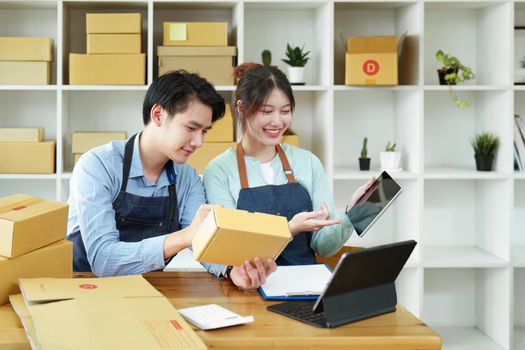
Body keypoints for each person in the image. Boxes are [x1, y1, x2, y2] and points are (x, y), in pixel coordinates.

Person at [67, 70, 277, 287]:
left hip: (151, 290)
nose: (198, 142)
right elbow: (104, 260)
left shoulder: (187, 177)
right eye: (191, 128)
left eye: (204, 131)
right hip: (86, 289)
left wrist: (231, 270)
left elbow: (201, 240)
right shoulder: (98, 166)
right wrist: (184, 237)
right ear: (158, 115)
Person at [202, 63, 375, 284]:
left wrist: (353, 213)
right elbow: (230, 247)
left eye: (285, 111)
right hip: (248, 287)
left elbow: (323, 246)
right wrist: (290, 229)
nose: (278, 122)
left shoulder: (308, 162)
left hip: (305, 287)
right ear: (242, 109)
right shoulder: (219, 170)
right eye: (267, 111)